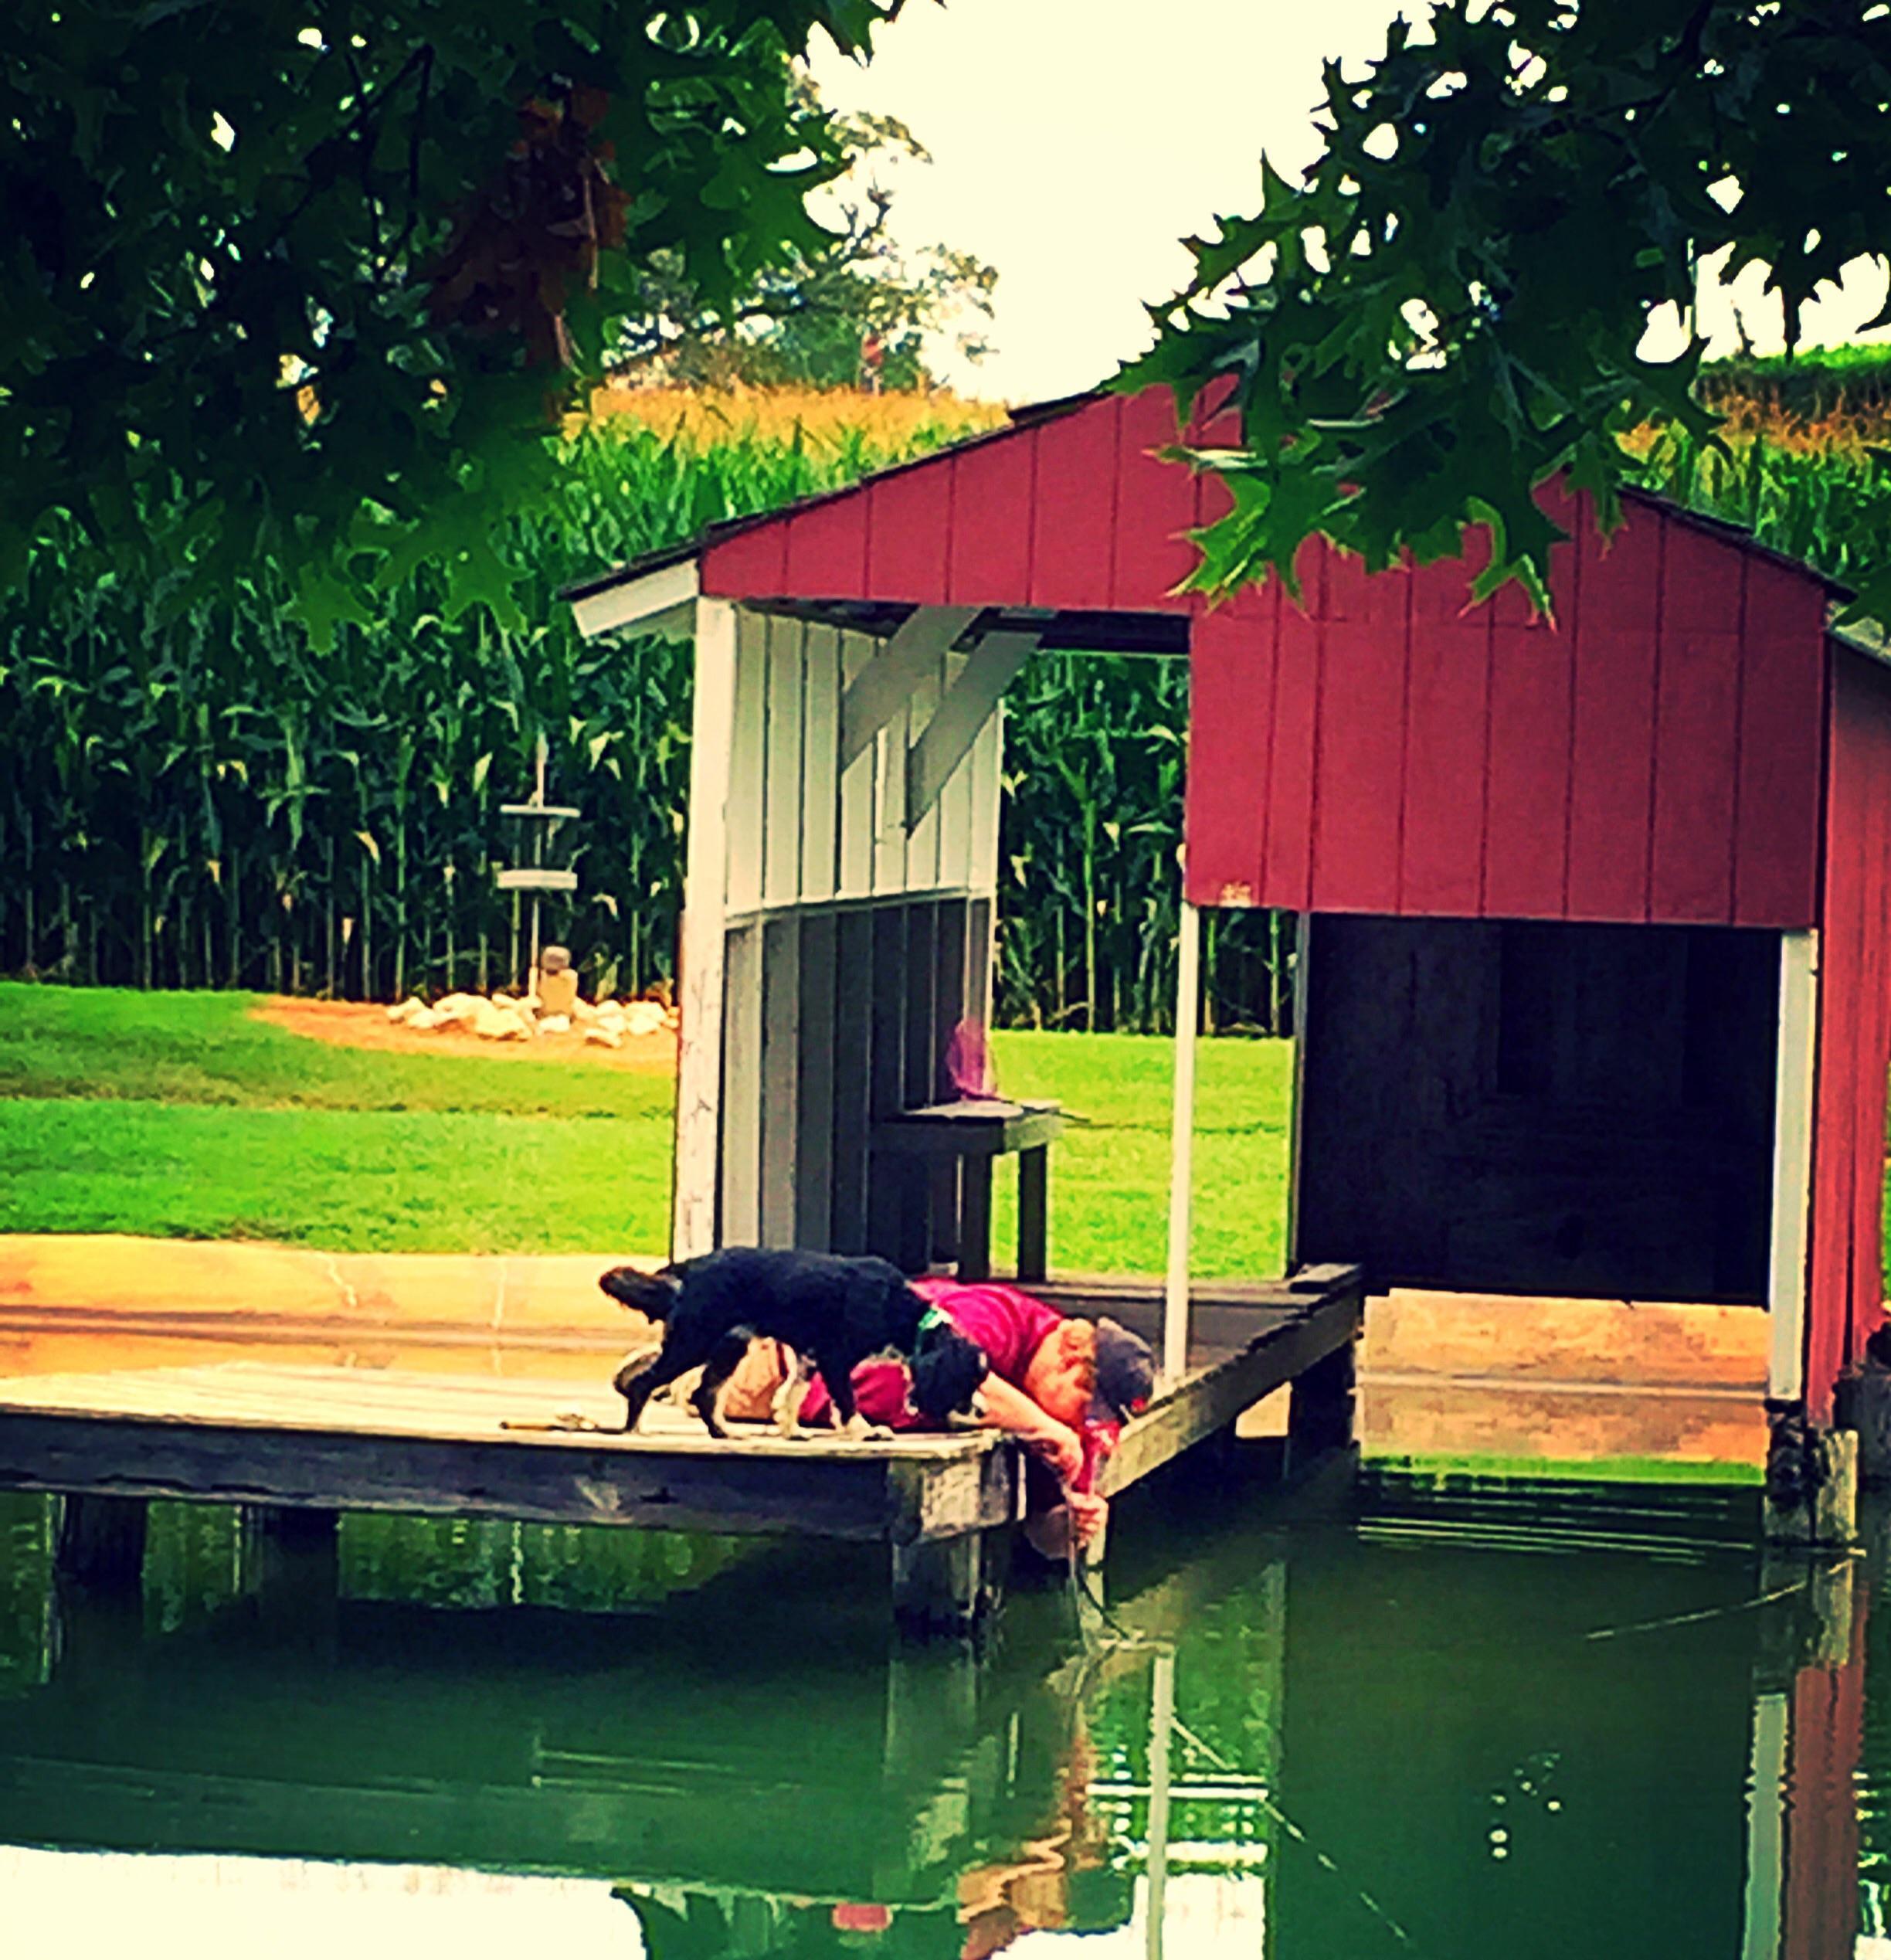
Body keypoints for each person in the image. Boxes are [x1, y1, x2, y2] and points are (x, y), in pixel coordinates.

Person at [724, 1275, 1154, 1557]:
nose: (1083, 1425)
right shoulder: (998, 1317)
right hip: (775, 1369)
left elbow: (1046, 1539)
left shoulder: (1076, 1431)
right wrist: (1042, 1425)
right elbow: (947, 1366)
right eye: (1085, 1407)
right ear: (1068, 1361)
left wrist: (1072, 1526)